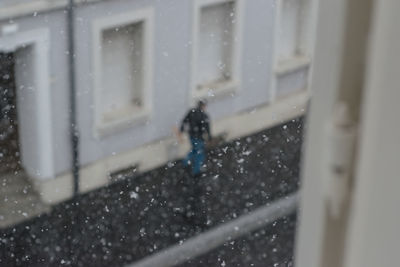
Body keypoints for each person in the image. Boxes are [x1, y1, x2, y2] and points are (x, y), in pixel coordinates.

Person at [179, 100, 211, 176]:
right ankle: (196, 170)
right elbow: (207, 128)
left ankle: (185, 162)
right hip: (199, 137)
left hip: (192, 135)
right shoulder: (204, 115)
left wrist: (182, 129)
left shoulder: (191, 112)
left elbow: (184, 120)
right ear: (203, 106)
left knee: (194, 149)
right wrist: (209, 137)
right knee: (199, 153)